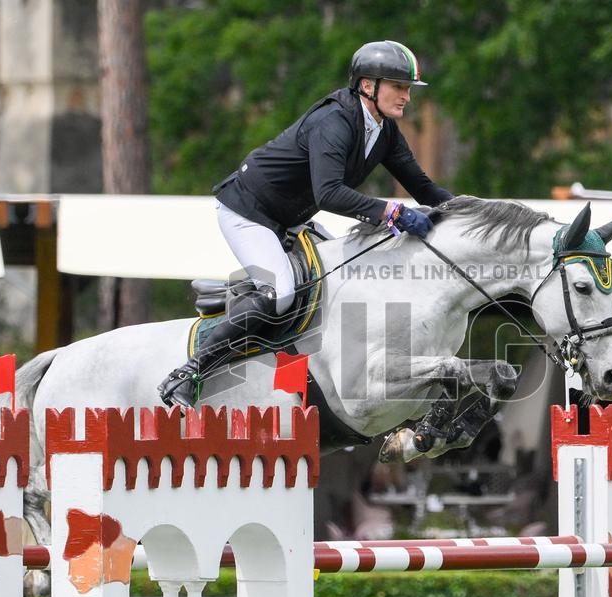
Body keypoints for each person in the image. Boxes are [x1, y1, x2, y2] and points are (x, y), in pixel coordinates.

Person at [158, 40, 453, 407]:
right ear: (367, 86)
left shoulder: (384, 130)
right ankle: (189, 372)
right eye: (398, 87)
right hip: (249, 213)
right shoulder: (334, 122)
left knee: (342, 285)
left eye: (408, 89)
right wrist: (391, 213)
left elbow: (422, 187)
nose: (407, 97)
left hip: (290, 221)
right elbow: (329, 194)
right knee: (280, 293)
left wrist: (470, 213)